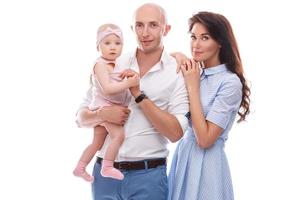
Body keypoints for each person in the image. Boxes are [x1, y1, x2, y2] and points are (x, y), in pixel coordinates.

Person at [76, 3, 189, 200]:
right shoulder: (112, 62)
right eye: (139, 25)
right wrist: (101, 114)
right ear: (132, 29)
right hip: (104, 176)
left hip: (149, 177)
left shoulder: (177, 72)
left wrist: (138, 94)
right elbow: (80, 118)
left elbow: (176, 133)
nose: (145, 33)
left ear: (166, 29)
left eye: (153, 25)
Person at [168, 11, 251, 200]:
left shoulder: (229, 83)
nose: (196, 45)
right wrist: (179, 55)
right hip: (183, 158)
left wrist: (193, 86)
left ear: (220, 42)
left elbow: (205, 139)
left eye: (205, 38)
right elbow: (164, 59)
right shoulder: (194, 72)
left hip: (208, 164)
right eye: (193, 37)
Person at [73, 23, 140, 182]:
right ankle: (107, 167)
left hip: (105, 106)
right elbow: (108, 89)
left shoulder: (117, 64)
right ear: (98, 46)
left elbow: (118, 82)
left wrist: (127, 76)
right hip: (104, 108)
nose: (113, 47)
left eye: (118, 43)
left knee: (97, 143)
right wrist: (129, 84)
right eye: (107, 43)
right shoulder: (100, 65)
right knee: (118, 136)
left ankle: (80, 168)